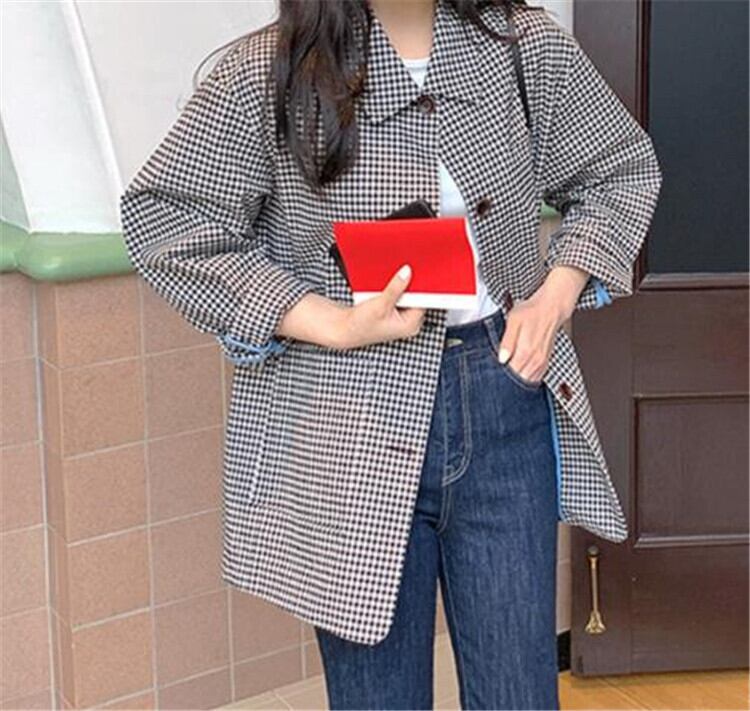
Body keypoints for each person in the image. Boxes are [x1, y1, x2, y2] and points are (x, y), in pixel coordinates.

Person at [119, 0, 663, 708]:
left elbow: (619, 170)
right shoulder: (266, 70)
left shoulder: (523, 46)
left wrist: (553, 297)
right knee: (377, 697)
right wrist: (328, 322)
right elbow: (167, 222)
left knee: (518, 691)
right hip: (347, 418)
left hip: (503, 396)